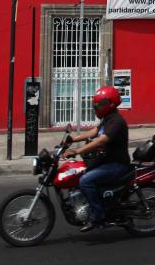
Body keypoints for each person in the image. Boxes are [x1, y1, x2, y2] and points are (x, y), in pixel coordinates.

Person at [61, 86, 130, 232]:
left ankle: (97, 216)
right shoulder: (108, 118)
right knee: (81, 171)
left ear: (110, 103)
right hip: (107, 161)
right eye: (96, 104)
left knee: (85, 180)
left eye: (100, 104)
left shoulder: (116, 121)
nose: (97, 107)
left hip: (116, 164)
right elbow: (95, 131)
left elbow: (100, 140)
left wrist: (77, 150)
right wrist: (73, 139)